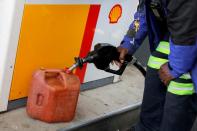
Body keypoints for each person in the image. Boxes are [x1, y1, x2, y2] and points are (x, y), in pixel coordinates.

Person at [115, 0, 197, 131]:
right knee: (155, 62)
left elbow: (187, 24)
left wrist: (175, 68)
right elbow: (143, 14)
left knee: (182, 80)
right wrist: (128, 43)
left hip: (189, 33)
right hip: (179, 33)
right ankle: (146, 127)